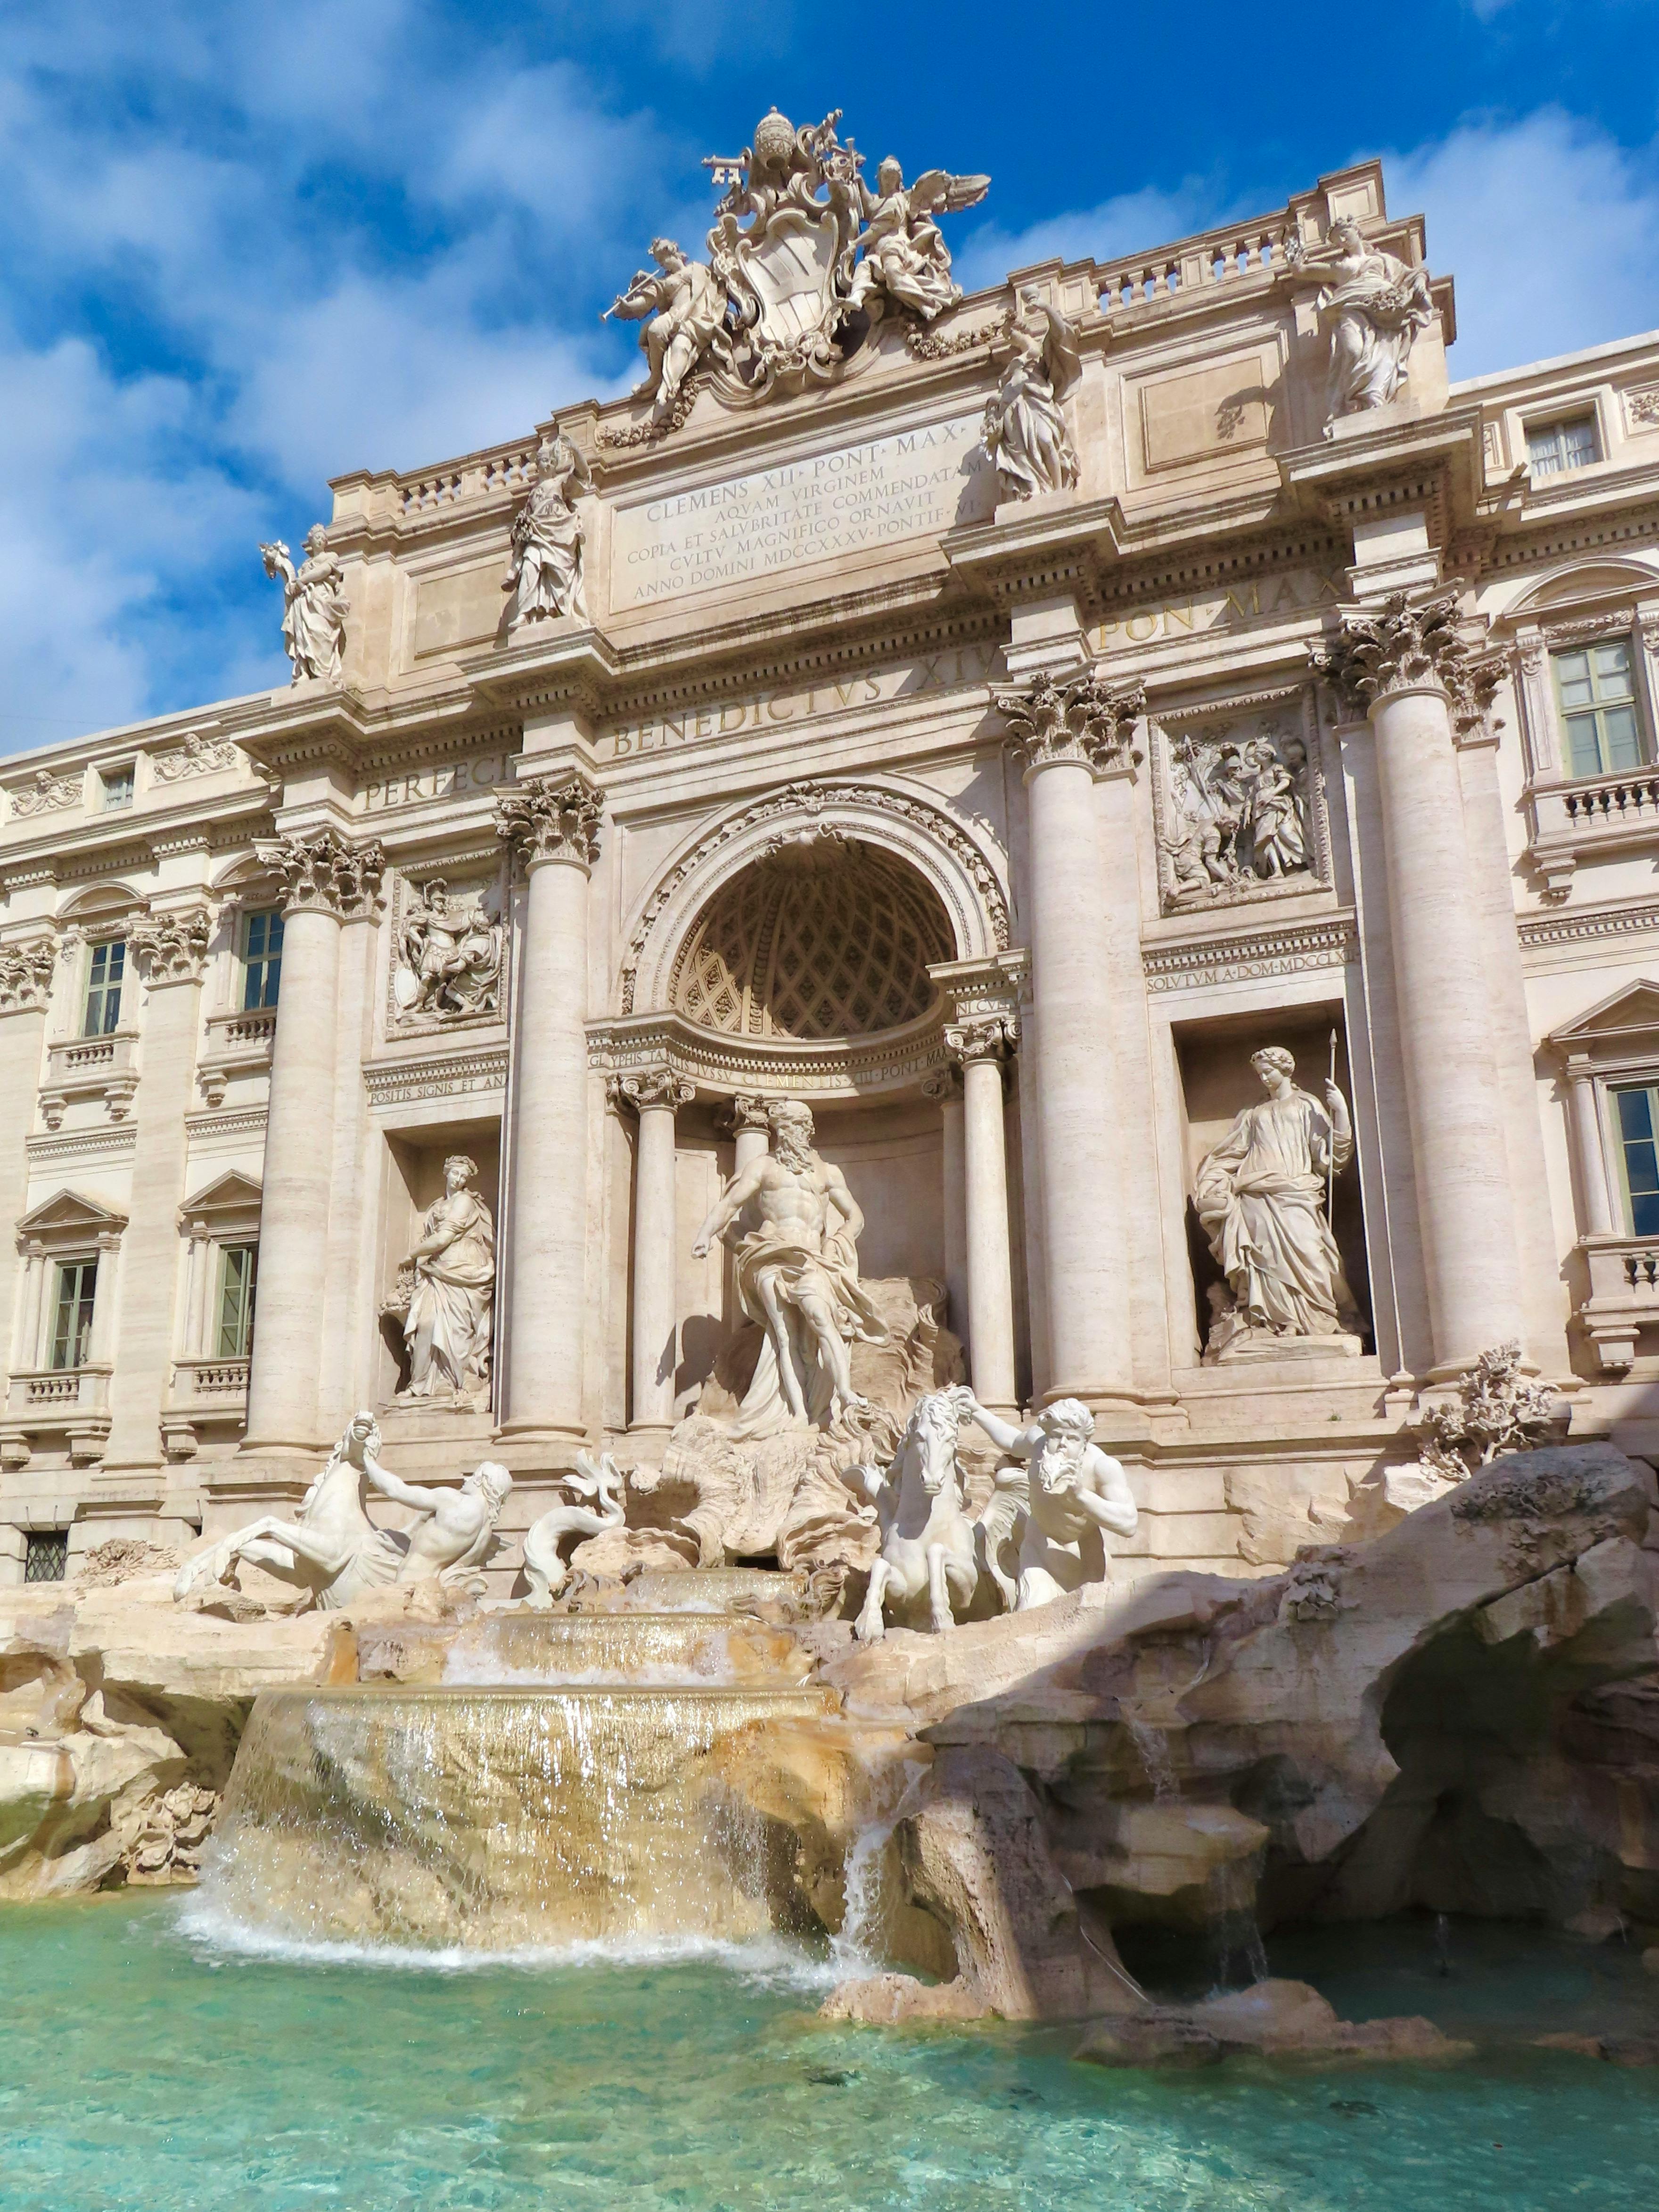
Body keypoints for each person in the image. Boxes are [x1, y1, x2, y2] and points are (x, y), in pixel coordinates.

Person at [692, 1099, 887, 1436]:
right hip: (771, 1255)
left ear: (808, 1129)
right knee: (784, 1336)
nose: (789, 1133)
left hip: (812, 1258)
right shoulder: (763, 1167)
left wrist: (837, 1239)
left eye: (796, 1126)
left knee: (823, 1318)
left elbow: (856, 1216)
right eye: (783, 1127)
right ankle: (798, 1413)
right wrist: (705, 1234)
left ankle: (843, 1392)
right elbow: (730, 1203)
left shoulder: (827, 1172)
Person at [1195, 1046, 1360, 1348]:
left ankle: (1316, 1318)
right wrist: (1213, 1182)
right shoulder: (1253, 1114)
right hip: (1255, 1195)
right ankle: (1276, 1322)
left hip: (1296, 1191)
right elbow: (1232, 1153)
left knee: (1311, 1253)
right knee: (1264, 1257)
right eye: (1260, 1074)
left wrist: (1342, 1113)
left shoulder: (1308, 1105)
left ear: (1286, 1069)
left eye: (1268, 1071)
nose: (1264, 1078)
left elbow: (1331, 1158)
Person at [957, 1394, 1138, 1608]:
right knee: (1031, 1607)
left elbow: (1128, 1523)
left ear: (1085, 1441)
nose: (1062, 1445)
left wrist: (1080, 1495)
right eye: (1056, 1436)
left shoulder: (1102, 1467)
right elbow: (1012, 1441)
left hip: (1083, 1554)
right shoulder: (1038, 1444)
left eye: (1072, 1439)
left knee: (1087, 1620)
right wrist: (977, 1410)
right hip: (1039, 1544)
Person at [400, 1156, 495, 1403]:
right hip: (437, 1270)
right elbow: (431, 1240)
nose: (460, 1180)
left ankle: (453, 1381)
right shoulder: (437, 1206)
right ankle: (422, 1383)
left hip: (463, 1268)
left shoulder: (465, 1201)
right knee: (427, 1323)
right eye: (456, 1174)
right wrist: (423, 1263)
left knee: (456, 1328)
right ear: (446, 1172)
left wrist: (411, 1255)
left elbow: (443, 1238)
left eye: (464, 1177)